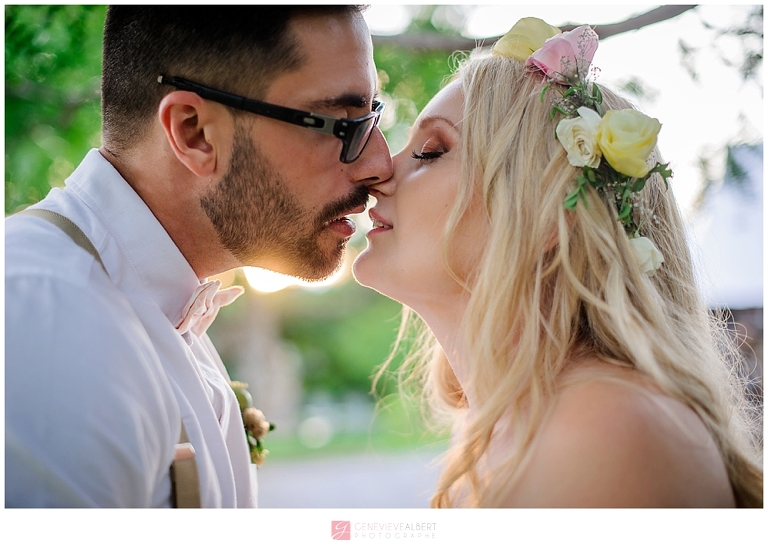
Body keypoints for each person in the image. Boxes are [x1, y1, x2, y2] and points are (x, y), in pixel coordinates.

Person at [353, 18, 763, 507]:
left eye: (431, 150)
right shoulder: (519, 425)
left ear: (550, 214)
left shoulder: (608, 431)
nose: (376, 170)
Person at [5, 6, 392, 507]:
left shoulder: (168, 310)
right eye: (342, 125)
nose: (379, 163)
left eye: (372, 118)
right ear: (194, 132)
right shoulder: (48, 322)